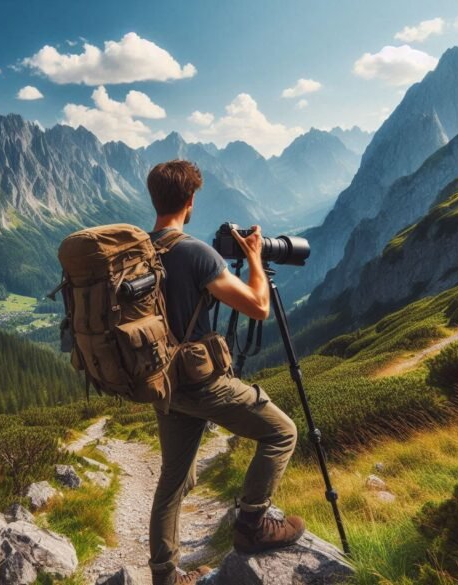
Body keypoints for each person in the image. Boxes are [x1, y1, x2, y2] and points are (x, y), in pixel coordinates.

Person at [146, 160, 305, 585]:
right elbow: (258, 306)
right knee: (282, 432)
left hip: (167, 385)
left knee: (173, 480)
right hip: (201, 383)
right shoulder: (195, 252)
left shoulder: (141, 249)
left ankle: (164, 575)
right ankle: (253, 524)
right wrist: (255, 259)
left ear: (154, 197)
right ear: (191, 201)